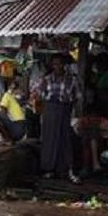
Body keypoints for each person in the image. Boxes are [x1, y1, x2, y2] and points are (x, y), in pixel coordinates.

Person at [34, 53, 80, 182]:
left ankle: (65, 169)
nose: (57, 66)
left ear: (64, 65)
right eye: (54, 64)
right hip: (50, 110)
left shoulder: (72, 79)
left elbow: (76, 97)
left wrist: (69, 108)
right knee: (49, 138)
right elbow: (40, 95)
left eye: (60, 63)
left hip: (65, 109)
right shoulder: (46, 79)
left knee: (64, 138)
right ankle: (48, 169)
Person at [73, 105, 108, 177]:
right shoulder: (81, 121)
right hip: (83, 143)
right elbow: (78, 134)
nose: (93, 119)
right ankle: (92, 164)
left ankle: (94, 164)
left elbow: (107, 137)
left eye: (95, 117)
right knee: (88, 138)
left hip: (99, 143)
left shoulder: (103, 122)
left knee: (93, 135)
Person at [0, 80, 27, 145]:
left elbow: (2, 111)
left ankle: (7, 140)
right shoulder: (14, 97)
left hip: (17, 128)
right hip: (22, 129)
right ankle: (8, 139)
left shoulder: (7, 95)